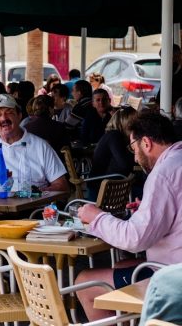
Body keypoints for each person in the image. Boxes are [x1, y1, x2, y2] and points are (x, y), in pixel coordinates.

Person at [76, 111, 182, 321]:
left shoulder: (163, 173)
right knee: (120, 266)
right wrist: (147, 208)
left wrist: (96, 217)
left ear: (146, 143)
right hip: (172, 265)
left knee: (85, 283)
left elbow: (134, 239)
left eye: (133, 148)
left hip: (173, 277)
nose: (134, 156)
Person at [0, 94, 68, 191]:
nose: (4, 118)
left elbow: (61, 184)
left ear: (19, 115)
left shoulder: (41, 146)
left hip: (33, 209)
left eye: (9, 112)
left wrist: (38, 194)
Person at [85, 106, 137, 201]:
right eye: (134, 123)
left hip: (111, 185)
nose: (137, 127)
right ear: (126, 123)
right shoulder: (114, 136)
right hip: (102, 189)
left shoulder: (115, 136)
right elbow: (124, 165)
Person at [156, 44, 182, 111]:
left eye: (164, 58)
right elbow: (164, 86)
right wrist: (157, 101)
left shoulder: (174, 68)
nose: (163, 61)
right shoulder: (173, 67)